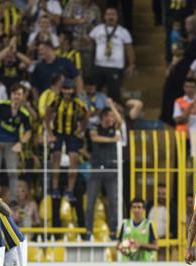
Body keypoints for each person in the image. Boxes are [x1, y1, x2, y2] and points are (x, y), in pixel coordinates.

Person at [0, 83, 32, 203]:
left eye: (19, 94)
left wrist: (21, 142)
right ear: (11, 95)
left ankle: (13, 199)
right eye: (15, 94)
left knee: (13, 172)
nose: (16, 96)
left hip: (12, 144)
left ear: (23, 96)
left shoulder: (24, 113)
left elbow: (28, 131)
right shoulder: (2, 104)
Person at [45, 78, 88, 203]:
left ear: (73, 90)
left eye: (69, 89)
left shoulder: (78, 103)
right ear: (61, 89)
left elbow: (86, 117)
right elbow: (47, 116)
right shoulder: (56, 101)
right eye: (65, 89)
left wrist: (81, 131)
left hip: (72, 134)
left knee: (74, 160)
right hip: (58, 132)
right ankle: (55, 188)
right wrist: (49, 132)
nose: (67, 92)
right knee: (56, 158)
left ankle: (69, 190)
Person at [85, 101, 122, 241]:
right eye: (107, 116)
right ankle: (88, 231)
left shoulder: (115, 128)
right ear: (102, 117)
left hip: (111, 170)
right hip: (96, 169)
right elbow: (94, 138)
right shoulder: (95, 127)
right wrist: (112, 139)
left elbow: (120, 121)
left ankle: (113, 231)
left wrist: (112, 106)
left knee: (113, 202)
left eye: (112, 116)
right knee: (90, 202)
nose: (110, 119)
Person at [89, 7, 135, 101]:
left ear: (117, 17)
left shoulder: (123, 32)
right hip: (99, 66)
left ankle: (112, 114)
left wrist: (131, 65)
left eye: (113, 14)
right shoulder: (97, 30)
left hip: (115, 67)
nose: (111, 17)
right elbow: (89, 42)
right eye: (108, 14)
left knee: (114, 95)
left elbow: (129, 49)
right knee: (96, 93)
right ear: (104, 17)